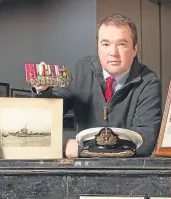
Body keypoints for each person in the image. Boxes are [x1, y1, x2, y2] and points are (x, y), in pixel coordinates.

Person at [32, 13, 162, 158]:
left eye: (121, 44)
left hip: (127, 173)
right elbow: (51, 113)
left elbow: (144, 144)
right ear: (98, 48)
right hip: (85, 171)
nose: (113, 53)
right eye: (106, 44)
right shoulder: (82, 69)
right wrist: (43, 90)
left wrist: (83, 150)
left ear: (134, 49)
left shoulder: (149, 83)